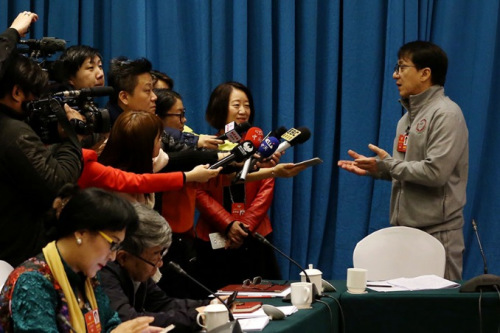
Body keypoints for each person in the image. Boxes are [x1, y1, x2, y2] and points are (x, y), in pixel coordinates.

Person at [338, 41, 468, 280]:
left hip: (438, 235)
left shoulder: (447, 114)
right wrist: (376, 168)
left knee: (443, 312)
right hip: (405, 233)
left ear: (425, 73)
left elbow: (435, 172)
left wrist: (389, 165)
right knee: (409, 311)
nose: (395, 75)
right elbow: (406, 169)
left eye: (401, 67)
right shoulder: (406, 119)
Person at [0, 185, 162, 332]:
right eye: (112, 244)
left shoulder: (85, 274)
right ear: (81, 232)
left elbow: (109, 323)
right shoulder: (32, 282)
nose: (113, 256)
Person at [0, 12, 84, 267]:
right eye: (35, 97)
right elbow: (59, 185)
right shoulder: (15, 134)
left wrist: (13, 33)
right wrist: (70, 137)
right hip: (17, 258)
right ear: (16, 92)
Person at [194, 81, 281, 292]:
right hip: (215, 236)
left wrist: (244, 226)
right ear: (220, 107)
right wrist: (227, 224)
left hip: (255, 234)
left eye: (247, 105)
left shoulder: (260, 148)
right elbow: (198, 191)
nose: (243, 111)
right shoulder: (204, 147)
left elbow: (267, 186)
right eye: (236, 105)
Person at [100, 203, 210, 332]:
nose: (160, 263)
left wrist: (210, 305)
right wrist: (197, 317)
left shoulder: (137, 268)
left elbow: (163, 304)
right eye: (155, 254)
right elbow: (131, 321)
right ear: (123, 258)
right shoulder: (104, 273)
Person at [107, 57, 157, 125]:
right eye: (147, 90)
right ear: (124, 97)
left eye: (153, 90)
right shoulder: (106, 131)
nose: (154, 97)